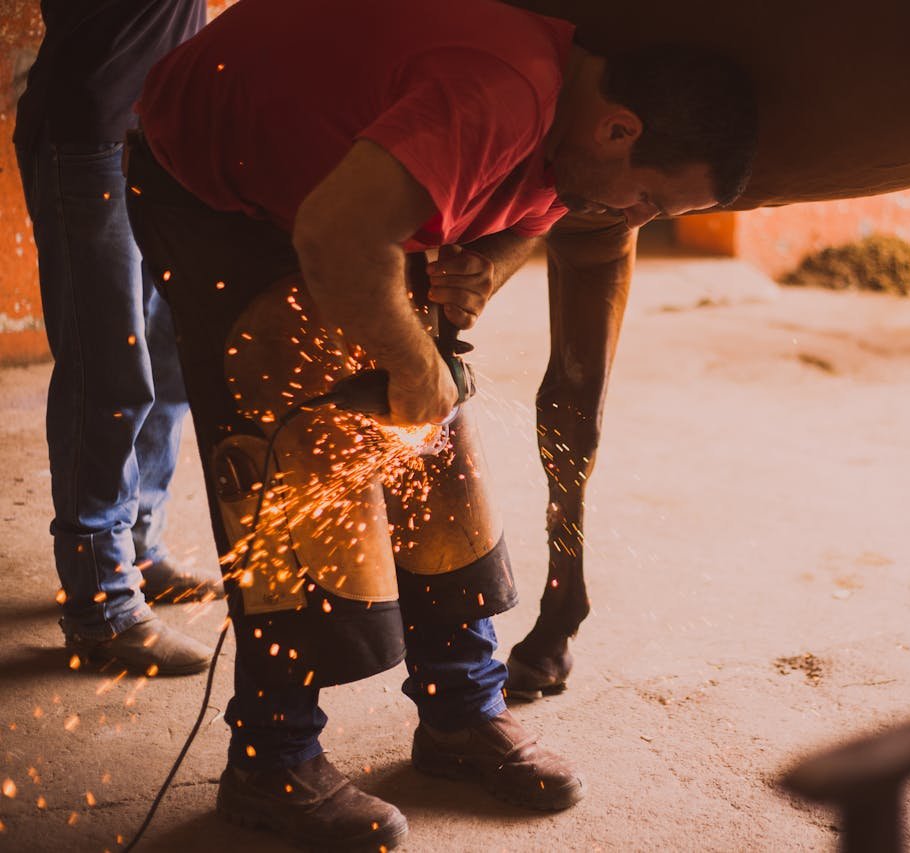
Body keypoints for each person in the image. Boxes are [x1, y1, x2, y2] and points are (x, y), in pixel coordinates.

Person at [124, 0, 757, 848]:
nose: (633, 218)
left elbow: (530, 216)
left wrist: (480, 262)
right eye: (646, 196)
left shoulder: (572, 135)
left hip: (343, 185)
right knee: (301, 449)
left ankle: (462, 710)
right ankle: (270, 759)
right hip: (221, 195)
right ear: (618, 129)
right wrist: (413, 362)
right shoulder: (498, 96)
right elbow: (336, 230)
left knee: (437, 441)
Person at [13, 0, 222, 677]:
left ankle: (136, 544)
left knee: (167, 361)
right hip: (90, 136)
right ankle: (101, 602)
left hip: (157, 136)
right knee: (108, 373)